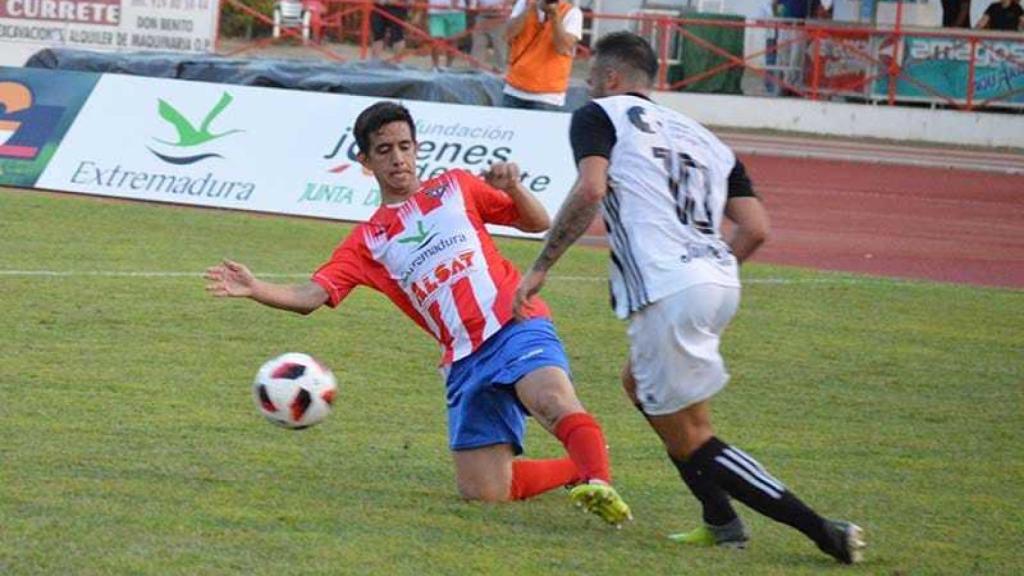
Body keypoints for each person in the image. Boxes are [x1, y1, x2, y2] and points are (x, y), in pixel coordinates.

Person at [513, 32, 866, 563]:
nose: (587, 87)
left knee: (696, 437)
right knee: (638, 384)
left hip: (671, 288)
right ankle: (720, 518)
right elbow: (756, 227)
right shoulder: (705, 138)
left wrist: (541, 265)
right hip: (717, 280)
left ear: (611, 78)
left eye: (591, 77)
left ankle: (823, 530)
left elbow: (591, 189)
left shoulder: (599, 115)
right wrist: (707, 271)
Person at [205, 101, 631, 525]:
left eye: (404, 146)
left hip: (514, 322)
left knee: (551, 400)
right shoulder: (368, 241)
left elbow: (535, 222)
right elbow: (312, 295)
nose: (398, 158)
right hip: (463, 358)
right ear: (366, 161)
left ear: (417, 148)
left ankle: (599, 480)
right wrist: (256, 288)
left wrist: (515, 187)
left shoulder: (456, 186)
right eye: (384, 150)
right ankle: (579, 466)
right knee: (485, 491)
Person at [502, 0, 583, 110]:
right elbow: (507, 34)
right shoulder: (525, 3)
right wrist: (529, 9)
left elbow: (563, 47)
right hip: (514, 88)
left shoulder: (572, 12)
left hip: (548, 95)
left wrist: (554, 15)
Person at [425, 0, 468, 69]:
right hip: (436, 10)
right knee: (436, 39)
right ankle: (435, 66)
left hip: (456, 11)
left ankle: (448, 67)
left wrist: (455, 2)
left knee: (452, 40)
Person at [471, 0, 511, 71]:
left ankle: (500, 69)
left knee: (499, 45)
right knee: (478, 43)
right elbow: (473, 5)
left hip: (499, 17)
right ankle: (476, 69)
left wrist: (501, 5)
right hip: (482, 16)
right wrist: (477, 6)